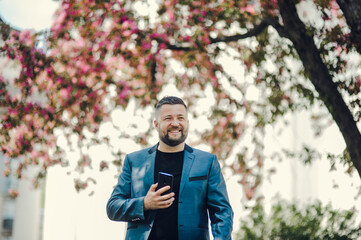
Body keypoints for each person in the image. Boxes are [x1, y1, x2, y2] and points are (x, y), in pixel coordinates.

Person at [106, 96, 233, 240]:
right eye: (168, 118)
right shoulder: (134, 161)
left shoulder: (207, 162)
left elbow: (222, 212)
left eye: (180, 118)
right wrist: (145, 204)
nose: (175, 123)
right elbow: (113, 208)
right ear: (156, 124)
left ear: (187, 122)